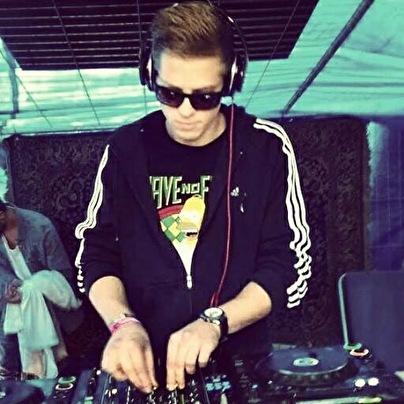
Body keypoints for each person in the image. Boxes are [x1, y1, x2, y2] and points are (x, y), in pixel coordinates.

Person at [75, 0, 312, 394]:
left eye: (204, 97)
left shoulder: (265, 147)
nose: (185, 111)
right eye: (169, 94)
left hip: (242, 361)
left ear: (231, 81)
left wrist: (216, 322)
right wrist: (123, 324)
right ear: (149, 74)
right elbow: (96, 256)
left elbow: (288, 265)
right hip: (147, 367)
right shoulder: (124, 149)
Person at [0, 199, 83, 379]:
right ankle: (11, 373)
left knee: (30, 294)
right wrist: (13, 288)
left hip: (55, 303)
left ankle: (37, 370)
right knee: (11, 310)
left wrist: (31, 289)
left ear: (1, 215)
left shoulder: (40, 227)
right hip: (16, 305)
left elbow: (63, 276)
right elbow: (3, 275)